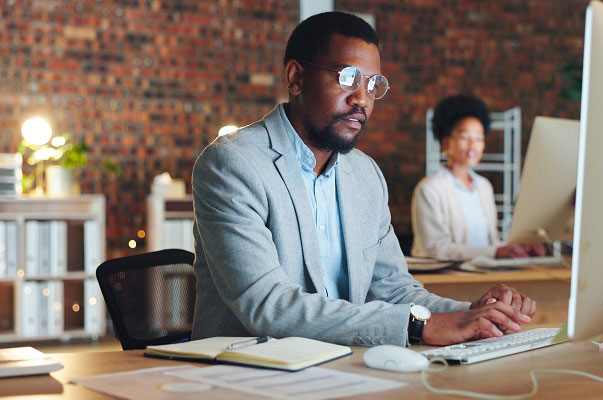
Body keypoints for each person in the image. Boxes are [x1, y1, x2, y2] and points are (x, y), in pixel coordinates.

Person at [191, 12, 536, 348]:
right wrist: (419, 327)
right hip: (249, 371)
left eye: (373, 85)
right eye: (347, 79)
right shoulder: (233, 163)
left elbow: (395, 291)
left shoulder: (366, 175)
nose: (362, 100)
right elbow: (267, 305)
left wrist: (477, 313)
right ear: (296, 78)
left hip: (343, 366)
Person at [411, 95, 545, 261]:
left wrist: (517, 249)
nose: (473, 144)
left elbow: (492, 242)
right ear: (446, 143)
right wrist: (494, 252)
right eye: (465, 137)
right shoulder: (429, 189)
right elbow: (434, 248)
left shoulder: (484, 186)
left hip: (485, 273)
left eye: (479, 138)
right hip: (448, 279)